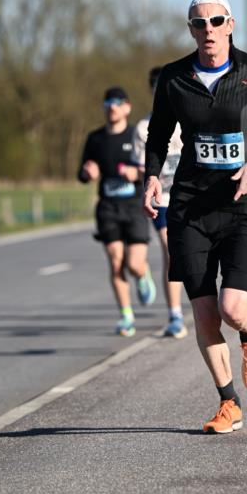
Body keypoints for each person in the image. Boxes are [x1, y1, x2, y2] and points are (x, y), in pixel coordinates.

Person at [143, 0, 247, 435]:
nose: (207, 29)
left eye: (216, 20)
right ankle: (229, 402)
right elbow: (158, 133)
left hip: (245, 201)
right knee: (205, 313)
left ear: (231, 25)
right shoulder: (173, 77)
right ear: (190, 29)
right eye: (198, 23)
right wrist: (152, 176)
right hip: (190, 204)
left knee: (233, 307)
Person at [78, 86, 156, 337]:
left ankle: (143, 275)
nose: (112, 106)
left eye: (117, 102)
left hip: (134, 204)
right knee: (115, 262)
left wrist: (138, 173)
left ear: (127, 107)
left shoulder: (137, 134)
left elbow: (154, 167)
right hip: (108, 207)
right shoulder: (95, 138)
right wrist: (88, 174)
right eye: (108, 102)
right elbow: (82, 172)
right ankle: (126, 316)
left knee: (133, 263)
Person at [132, 67, 187, 338]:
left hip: (191, 195)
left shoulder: (188, 119)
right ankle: (175, 314)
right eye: (156, 89)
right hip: (162, 199)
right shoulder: (143, 128)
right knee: (171, 250)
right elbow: (139, 168)